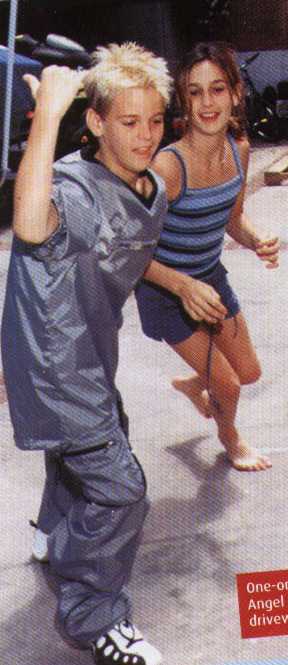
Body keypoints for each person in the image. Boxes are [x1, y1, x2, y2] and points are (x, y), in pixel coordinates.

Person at [1, 43, 172, 665]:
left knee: (89, 445)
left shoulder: (146, 184)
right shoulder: (74, 189)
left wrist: (182, 284)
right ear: (95, 122)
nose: (145, 135)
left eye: (155, 120)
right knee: (122, 489)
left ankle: (55, 536)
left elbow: (124, 251)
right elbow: (29, 223)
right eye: (129, 122)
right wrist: (47, 115)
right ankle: (96, 619)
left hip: (87, 348)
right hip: (57, 362)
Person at [135, 42, 280, 472]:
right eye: (194, 92)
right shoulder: (168, 168)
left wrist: (256, 239)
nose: (207, 103)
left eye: (217, 89)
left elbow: (233, 219)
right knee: (230, 387)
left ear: (236, 92)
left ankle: (193, 384)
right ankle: (230, 438)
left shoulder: (240, 150)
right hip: (164, 291)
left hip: (209, 280)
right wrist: (182, 286)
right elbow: (129, 252)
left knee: (248, 372)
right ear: (183, 100)